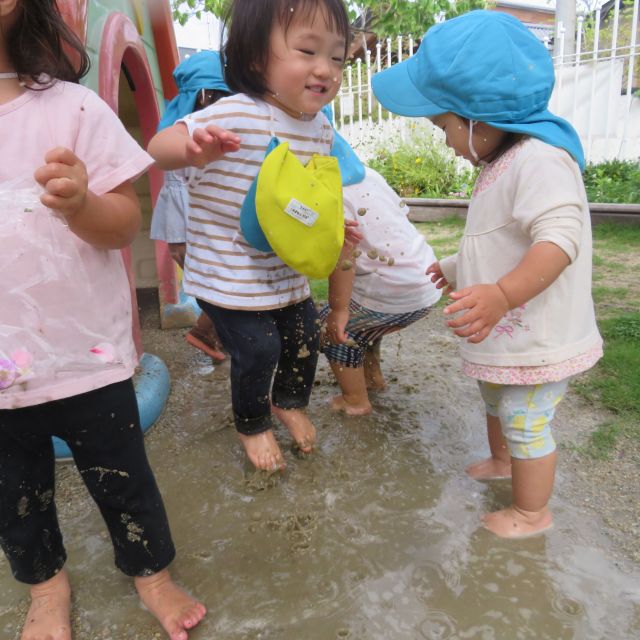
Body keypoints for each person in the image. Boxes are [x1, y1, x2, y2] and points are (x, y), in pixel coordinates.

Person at [0, 2, 205, 638]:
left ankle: (152, 575)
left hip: (85, 358)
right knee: (15, 501)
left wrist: (83, 202)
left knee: (124, 479)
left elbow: (122, 222)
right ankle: (47, 589)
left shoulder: (71, 108)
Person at [372, 10, 603, 539]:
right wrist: (459, 268)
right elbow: (501, 238)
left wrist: (501, 293)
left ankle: (530, 512)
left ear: (481, 119)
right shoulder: (503, 162)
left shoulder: (541, 161)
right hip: (509, 337)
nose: (444, 139)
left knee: (526, 420)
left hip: (539, 338)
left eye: (445, 126)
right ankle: (503, 462)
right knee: (496, 400)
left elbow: (558, 240)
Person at [148, 0, 351, 472]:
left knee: (304, 334)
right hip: (228, 274)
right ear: (257, 57)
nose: (326, 69)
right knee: (260, 348)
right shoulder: (236, 112)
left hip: (282, 269)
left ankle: (289, 402)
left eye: (338, 58)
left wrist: (337, 222)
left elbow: (312, 192)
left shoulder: (319, 128)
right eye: (307, 50)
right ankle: (253, 423)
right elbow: (160, 147)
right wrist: (192, 150)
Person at [323, 166, 442, 415]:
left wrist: (338, 310)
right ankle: (372, 380)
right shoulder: (366, 173)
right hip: (426, 277)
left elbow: (344, 253)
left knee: (330, 328)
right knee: (364, 327)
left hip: (393, 292)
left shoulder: (326, 187)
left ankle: (355, 401)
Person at [151, 51, 232, 362]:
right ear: (204, 96)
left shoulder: (191, 126)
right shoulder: (185, 133)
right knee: (218, 287)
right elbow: (180, 189)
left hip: (189, 226)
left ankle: (211, 335)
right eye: (219, 95)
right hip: (188, 227)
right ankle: (204, 332)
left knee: (217, 286)